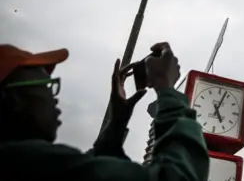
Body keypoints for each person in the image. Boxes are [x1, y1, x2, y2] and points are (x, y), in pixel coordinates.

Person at [0, 42, 209, 181]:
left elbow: (94, 168)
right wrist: (166, 88)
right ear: (12, 99)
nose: (53, 98)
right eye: (47, 86)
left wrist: (117, 122)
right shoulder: (31, 162)